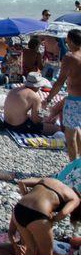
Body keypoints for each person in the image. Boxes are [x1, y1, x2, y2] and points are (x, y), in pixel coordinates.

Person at [11, 177, 79, 255]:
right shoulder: (75, 198)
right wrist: (51, 221)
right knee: (46, 254)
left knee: (30, 249)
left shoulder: (50, 180)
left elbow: (21, 182)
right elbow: (63, 213)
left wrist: (26, 195)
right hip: (39, 215)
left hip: (19, 209)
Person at [46, 29, 81, 160]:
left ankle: (74, 169)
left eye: (67, 40)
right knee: (78, 130)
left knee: (70, 136)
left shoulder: (70, 57)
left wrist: (49, 99)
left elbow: (60, 81)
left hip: (74, 101)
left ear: (70, 41)